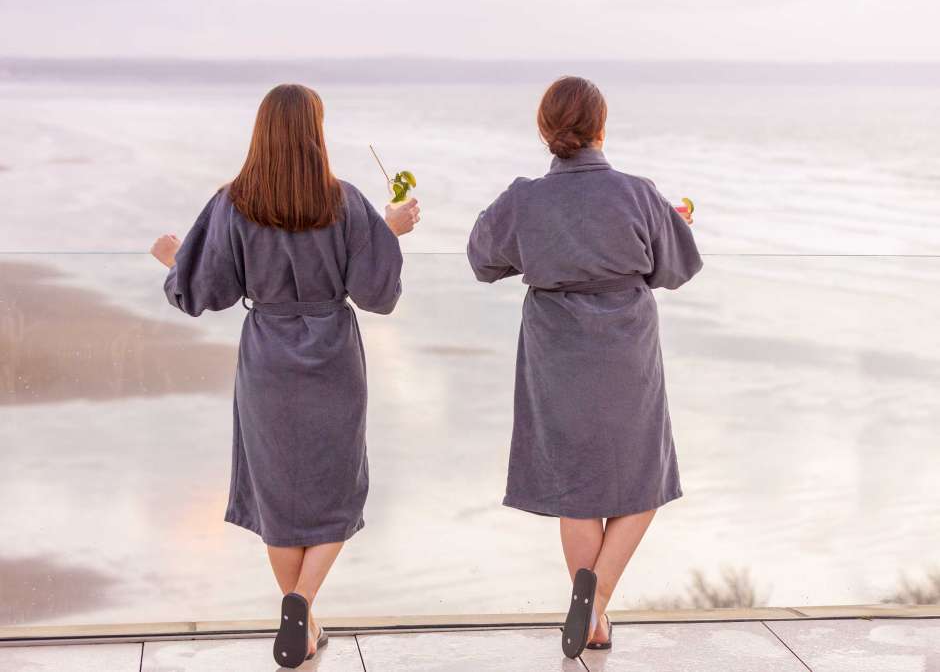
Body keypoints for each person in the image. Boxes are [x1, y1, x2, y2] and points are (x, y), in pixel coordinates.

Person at [149, 84, 420, 668]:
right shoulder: (344, 200)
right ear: (316, 133)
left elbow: (207, 290)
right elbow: (377, 293)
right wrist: (388, 231)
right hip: (334, 355)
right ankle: (302, 605)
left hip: (267, 355)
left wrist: (174, 258)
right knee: (337, 487)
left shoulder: (233, 201)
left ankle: (299, 613)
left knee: (275, 490)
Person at [467, 76, 702, 659]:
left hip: (556, 353)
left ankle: (588, 606)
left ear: (545, 131)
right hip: (627, 351)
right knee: (643, 480)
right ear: (601, 127)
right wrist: (676, 224)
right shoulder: (637, 192)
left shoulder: (524, 198)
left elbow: (481, 258)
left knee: (577, 487)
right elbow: (676, 268)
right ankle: (594, 605)